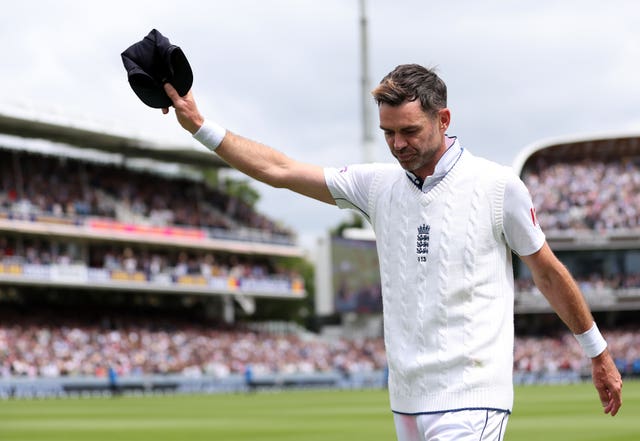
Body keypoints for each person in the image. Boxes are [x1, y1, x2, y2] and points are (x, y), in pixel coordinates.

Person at [160, 63, 622, 441]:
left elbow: (546, 272)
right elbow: (279, 169)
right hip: (405, 398)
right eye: (388, 133)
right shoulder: (374, 185)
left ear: (443, 120)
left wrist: (596, 351)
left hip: (472, 395)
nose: (398, 144)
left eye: (409, 131)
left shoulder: (498, 186)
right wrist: (201, 126)